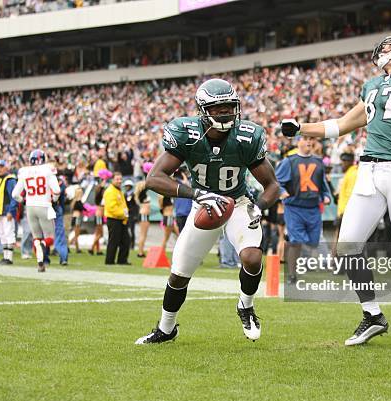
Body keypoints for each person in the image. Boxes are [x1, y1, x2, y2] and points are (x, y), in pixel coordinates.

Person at [282, 33, 391, 349]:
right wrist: (301, 128)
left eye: (389, 45)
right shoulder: (372, 85)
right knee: (346, 249)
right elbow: (341, 125)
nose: (382, 49)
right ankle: (373, 315)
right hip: (369, 171)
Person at [136, 78, 280, 344]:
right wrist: (197, 194)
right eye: (217, 108)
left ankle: (246, 306)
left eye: (228, 106)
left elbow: (272, 185)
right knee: (179, 274)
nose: (225, 112)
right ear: (203, 110)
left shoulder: (246, 136)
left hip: (237, 203)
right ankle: (166, 329)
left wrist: (258, 207)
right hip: (204, 204)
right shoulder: (186, 133)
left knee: (251, 257)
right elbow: (154, 178)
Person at [275, 135, 332, 283]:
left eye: (310, 138)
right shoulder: (289, 161)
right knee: (296, 241)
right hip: (294, 207)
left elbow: (323, 186)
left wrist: (326, 196)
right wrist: (282, 192)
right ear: (298, 142)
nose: (308, 141)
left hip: (313, 208)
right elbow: (277, 183)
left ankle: (301, 262)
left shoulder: (318, 162)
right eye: (305, 138)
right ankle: (292, 275)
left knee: (313, 241)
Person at [12, 150, 60, 272]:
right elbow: (57, 190)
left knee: (36, 238)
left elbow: (15, 194)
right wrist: (54, 199)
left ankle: (40, 263)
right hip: (44, 205)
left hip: (30, 207)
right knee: (49, 238)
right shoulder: (48, 169)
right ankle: (43, 246)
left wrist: (23, 200)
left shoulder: (24, 171)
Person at [103, 172, 130, 265]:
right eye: (117, 179)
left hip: (121, 219)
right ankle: (109, 261)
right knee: (113, 241)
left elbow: (122, 204)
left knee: (126, 240)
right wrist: (123, 214)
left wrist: (125, 214)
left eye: (120, 179)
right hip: (114, 219)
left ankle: (122, 260)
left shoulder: (119, 191)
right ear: (112, 180)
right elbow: (111, 208)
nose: (119, 181)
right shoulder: (110, 191)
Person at [134, 180, 150, 258]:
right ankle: (140, 252)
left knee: (143, 234)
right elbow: (146, 186)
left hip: (144, 215)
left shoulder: (143, 194)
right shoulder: (142, 194)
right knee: (143, 234)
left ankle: (141, 251)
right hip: (143, 215)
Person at [69, 187, 84, 253]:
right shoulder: (78, 201)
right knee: (77, 234)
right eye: (80, 192)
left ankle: (77, 248)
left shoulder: (74, 200)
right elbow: (82, 209)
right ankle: (69, 246)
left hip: (75, 217)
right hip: (77, 218)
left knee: (76, 234)